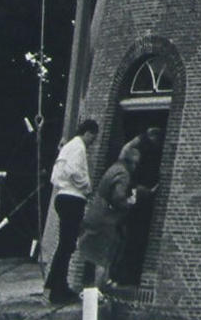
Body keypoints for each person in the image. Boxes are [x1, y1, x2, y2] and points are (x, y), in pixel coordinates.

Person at [73, 140, 142, 292]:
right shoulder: (124, 174)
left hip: (95, 214)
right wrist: (129, 202)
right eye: (136, 164)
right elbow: (118, 197)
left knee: (92, 255)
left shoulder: (115, 167)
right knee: (102, 258)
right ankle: (97, 291)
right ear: (132, 163)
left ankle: (89, 289)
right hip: (106, 219)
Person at [45, 117, 99, 305]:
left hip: (62, 195)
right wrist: (86, 187)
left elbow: (56, 174)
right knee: (67, 245)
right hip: (73, 198)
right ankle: (57, 289)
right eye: (93, 138)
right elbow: (74, 170)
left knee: (65, 244)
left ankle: (57, 284)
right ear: (88, 133)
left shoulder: (67, 147)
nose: (92, 143)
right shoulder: (78, 147)